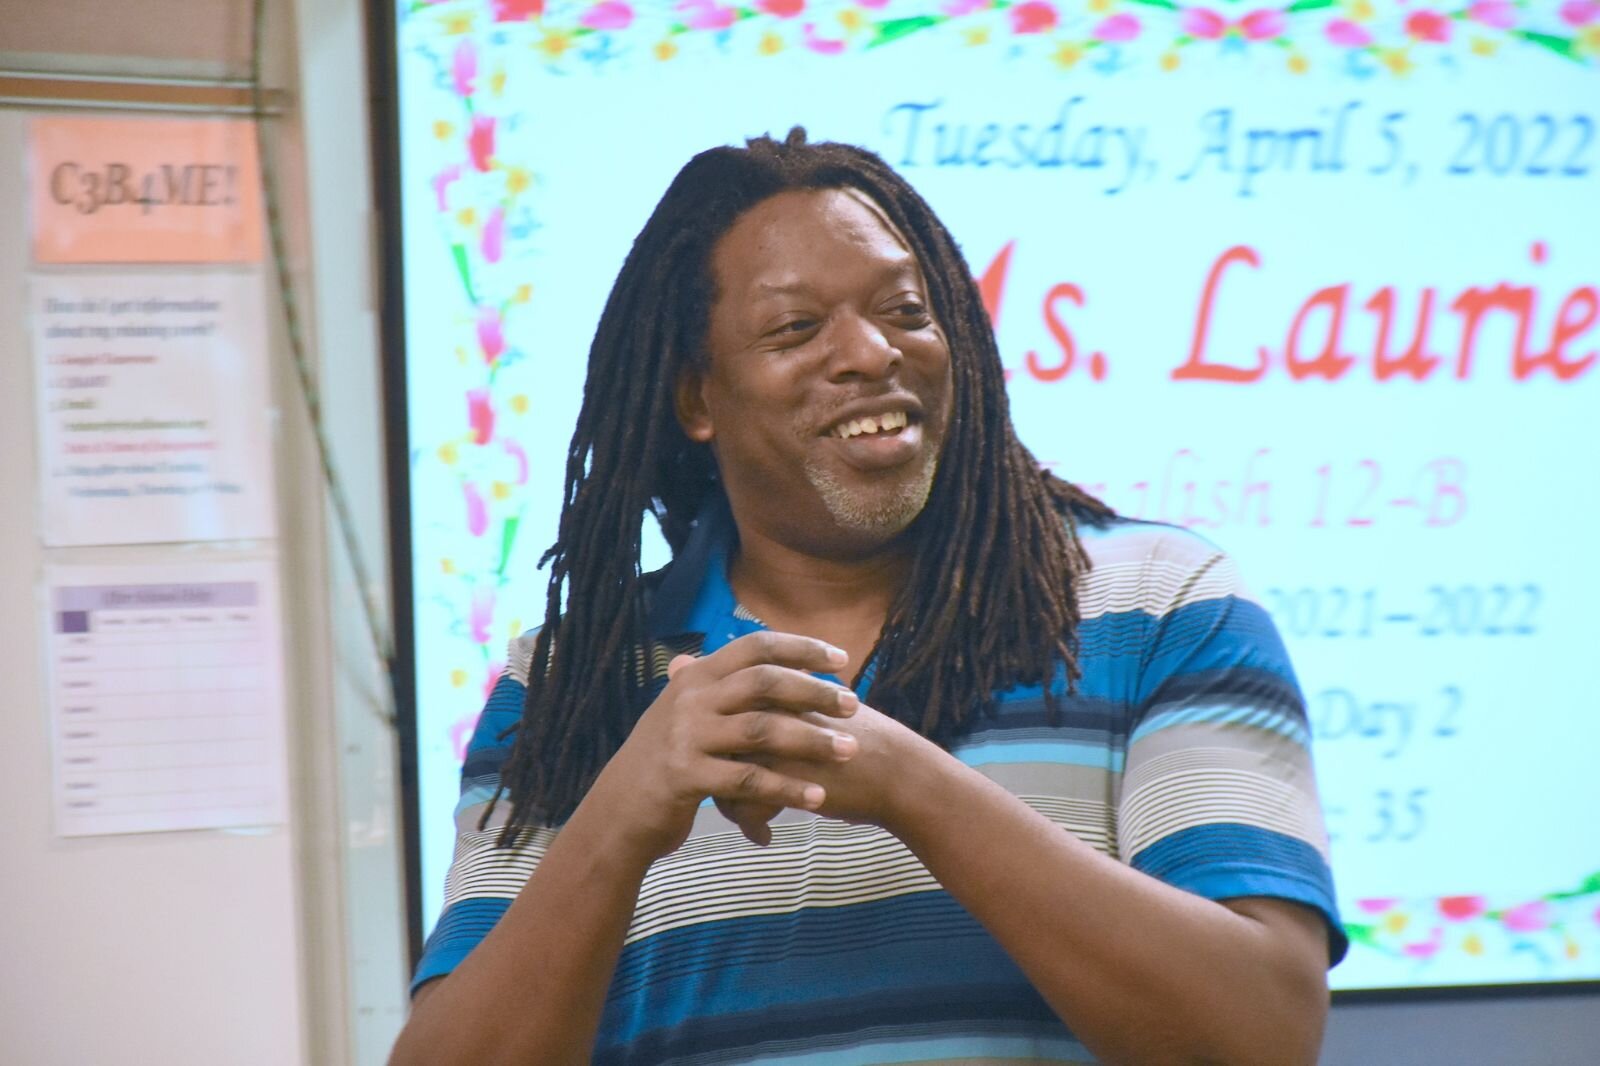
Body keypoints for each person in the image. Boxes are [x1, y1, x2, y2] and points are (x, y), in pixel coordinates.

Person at [390, 130, 1345, 1066]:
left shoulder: (1165, 604)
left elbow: (1261, 1036)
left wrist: (907, 783)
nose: (870, 353)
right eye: (795, 328)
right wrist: (621, 814)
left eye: (905, 311)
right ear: (697, 401)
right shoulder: (575, 683)